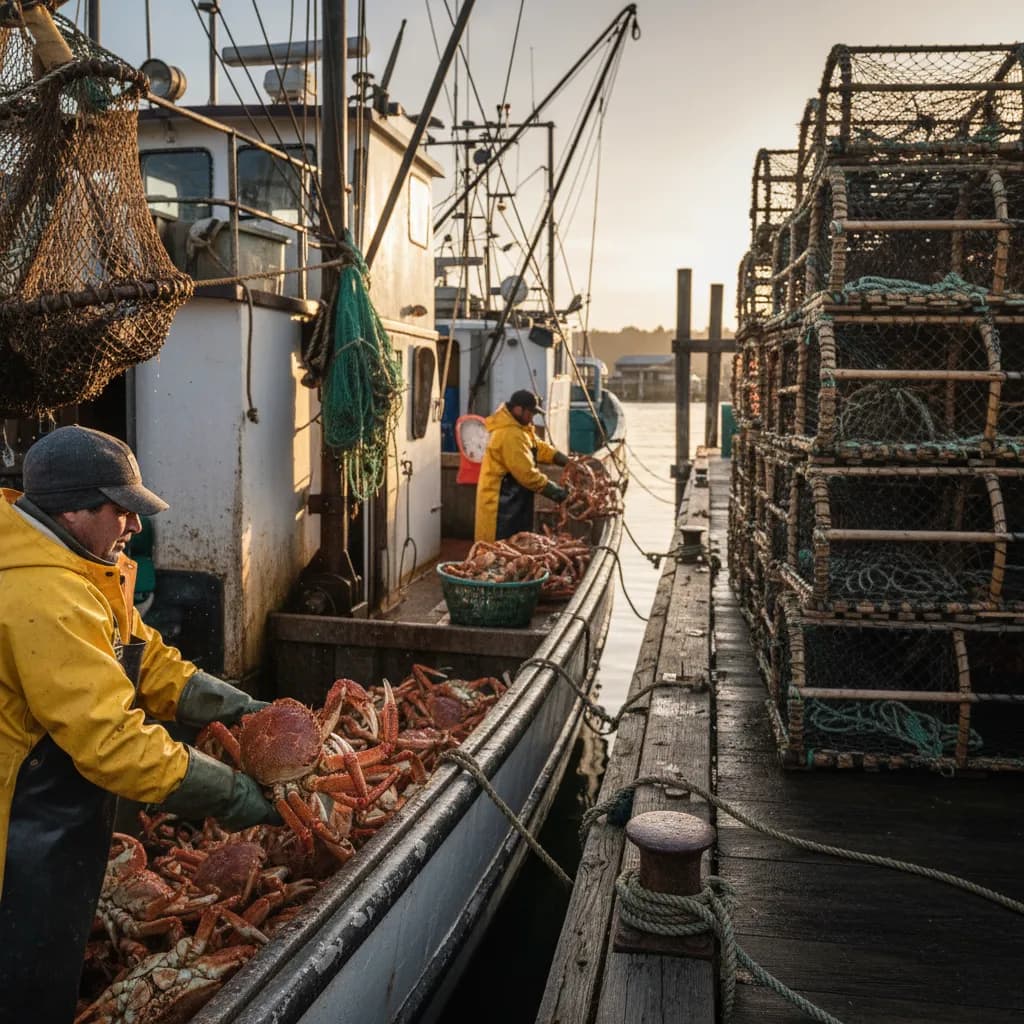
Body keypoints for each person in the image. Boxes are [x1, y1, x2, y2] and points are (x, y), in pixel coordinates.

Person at [0, 425, 281, 1023]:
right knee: (24, 987)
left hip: (59, 823)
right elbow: (113, 742)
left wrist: (239, 708)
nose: (134, 526)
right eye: (122, 509)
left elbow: (144, 657)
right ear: (74, 509)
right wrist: (232, 794)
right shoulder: (42, 594)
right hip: (17, 840)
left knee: (55, 965)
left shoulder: (83, 565)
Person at [474, 389, 571, 542]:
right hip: (500, 507)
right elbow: (527, 475)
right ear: (519, 409)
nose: (532, 417)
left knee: (516, 546)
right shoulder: (509, 434)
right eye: (530, 413)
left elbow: (538, 447)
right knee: (497, 552)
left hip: (514, 502)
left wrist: (565, 461)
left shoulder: (520, 429)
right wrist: (558, 494)